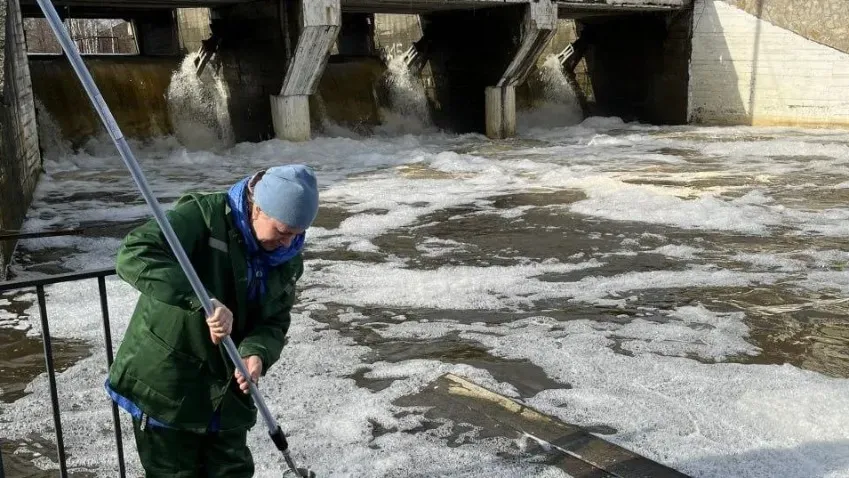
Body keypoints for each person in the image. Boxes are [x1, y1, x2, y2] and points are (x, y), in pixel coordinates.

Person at [105, 164, 319, 477]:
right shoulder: (203, 217)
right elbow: (134, 253)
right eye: (283, 231)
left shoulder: (287, 258)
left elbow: (273, 321)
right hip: (169, 385)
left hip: (227, 397)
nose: (288, 244)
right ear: (257, 208)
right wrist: (203, 300)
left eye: (297, 235)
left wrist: (257, 352)